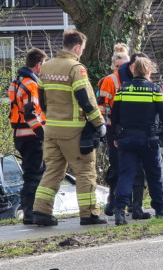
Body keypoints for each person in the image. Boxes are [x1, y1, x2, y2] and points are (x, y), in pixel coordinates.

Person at [31, 30, 107, 226]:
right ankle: (89, 213)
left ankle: (41, 212)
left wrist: (52, 118)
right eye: (82, 49)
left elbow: (42, 100)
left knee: (53, 171)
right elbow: (86, 100)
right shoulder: (76, 68)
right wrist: (99, 124)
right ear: (77, 47)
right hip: (74, 131)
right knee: (85, 171)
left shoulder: (46, 67)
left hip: (52, 129)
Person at [110, 56, 163, 225]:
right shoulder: (154, 90)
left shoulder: (123, 90)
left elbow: (114, 115)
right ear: (148, 71)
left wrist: (115, 137)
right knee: (154, 176)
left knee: (126, 176)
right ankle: (160, 210)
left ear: (133, 70)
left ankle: (119, 213)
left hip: (126, 139)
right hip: (149, 139)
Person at [8, 48, 47, 225]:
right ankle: (31, 212)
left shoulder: (17, 82)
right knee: (35, 174)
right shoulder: (31, 85)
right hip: (32, 136)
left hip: (20, 135)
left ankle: (28, 210)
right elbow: (31, 114)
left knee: (29, 173)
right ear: (39, 65)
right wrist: (43, 134)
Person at [97, 43, 131, 217]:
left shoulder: (134, 78)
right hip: (113, 127)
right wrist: (102, 127)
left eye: (123, 66)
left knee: (133, 164)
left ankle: (131, 201)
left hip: (131, 127)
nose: (120, 69)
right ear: (113, 67)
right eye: (117, 66)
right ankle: (113, 198)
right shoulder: (109, 81)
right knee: (117, 164)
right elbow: (101, 107)